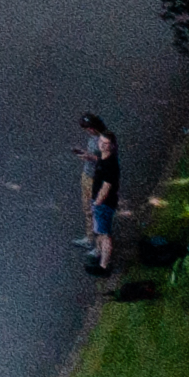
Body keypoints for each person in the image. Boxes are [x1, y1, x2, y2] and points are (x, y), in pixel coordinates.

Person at [81, 112, 123, 276]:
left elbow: (106, 187)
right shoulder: (105, 160)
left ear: (112, 145)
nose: (102, 145)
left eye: (106, 143)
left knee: (105, 235)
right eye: (101, 142)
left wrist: (96, 204)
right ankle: (99, 253)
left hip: (104, 204)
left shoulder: (110, 165)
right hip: (100, 203)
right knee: (100, 232)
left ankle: (104, 266)